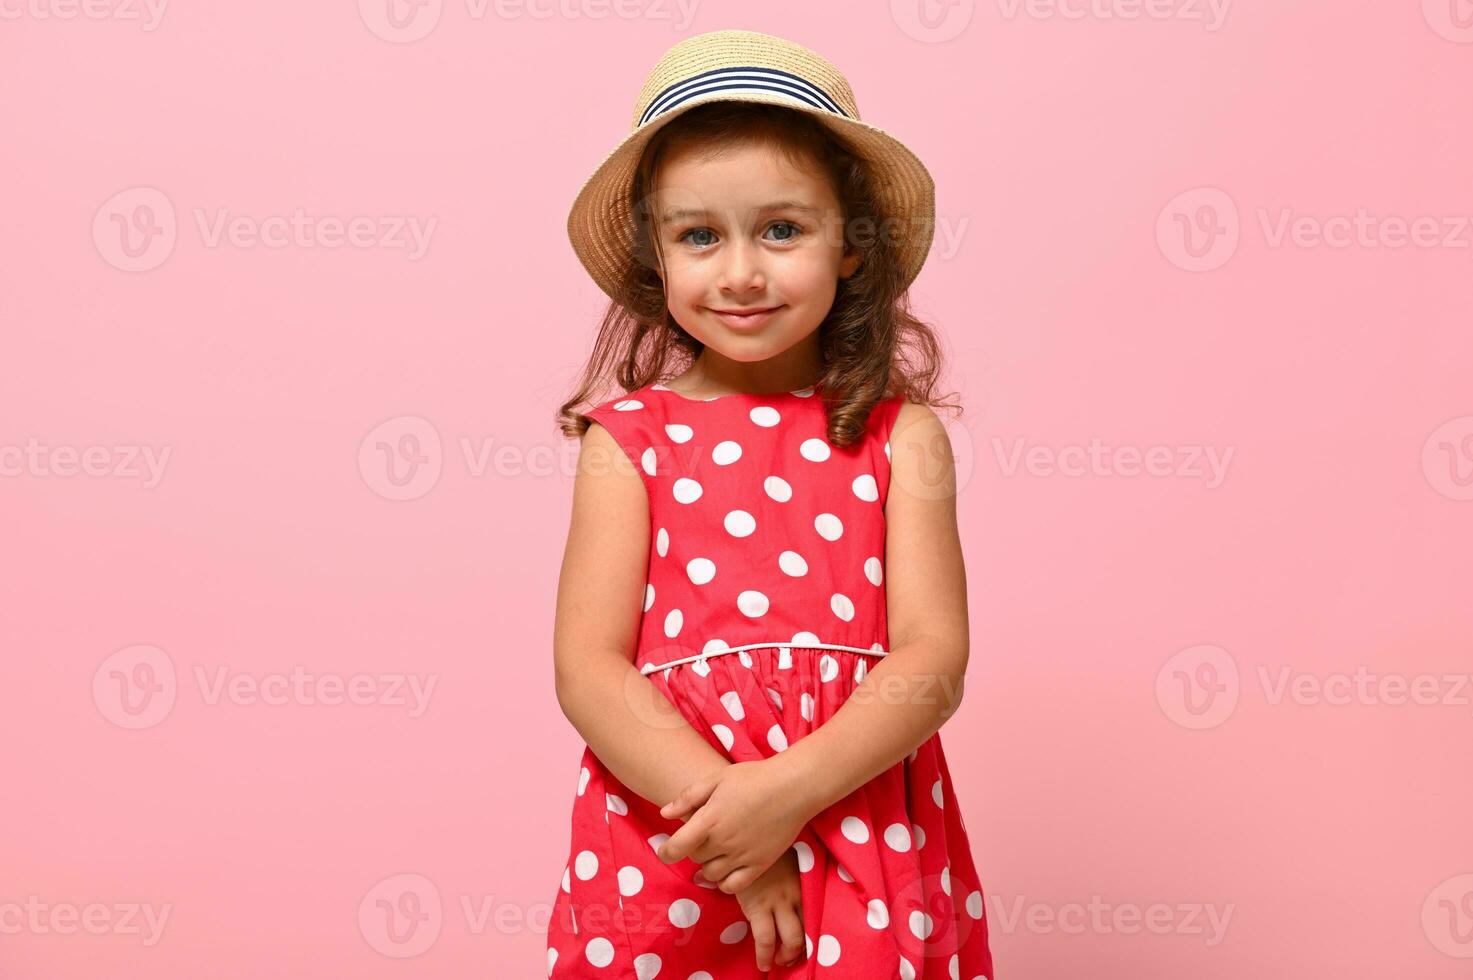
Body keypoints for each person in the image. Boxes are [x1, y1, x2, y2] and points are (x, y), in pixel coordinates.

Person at [547, 29, 995, 979]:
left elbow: (932, 659)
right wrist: (732, 832)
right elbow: (589, 670)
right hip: (674, 824)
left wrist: (784, 797)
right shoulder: (628, 441)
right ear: (654, 259)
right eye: (699, 235)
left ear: (852, 250)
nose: (741, 272)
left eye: (781, 229)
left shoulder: (897, 437)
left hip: (854, 814)